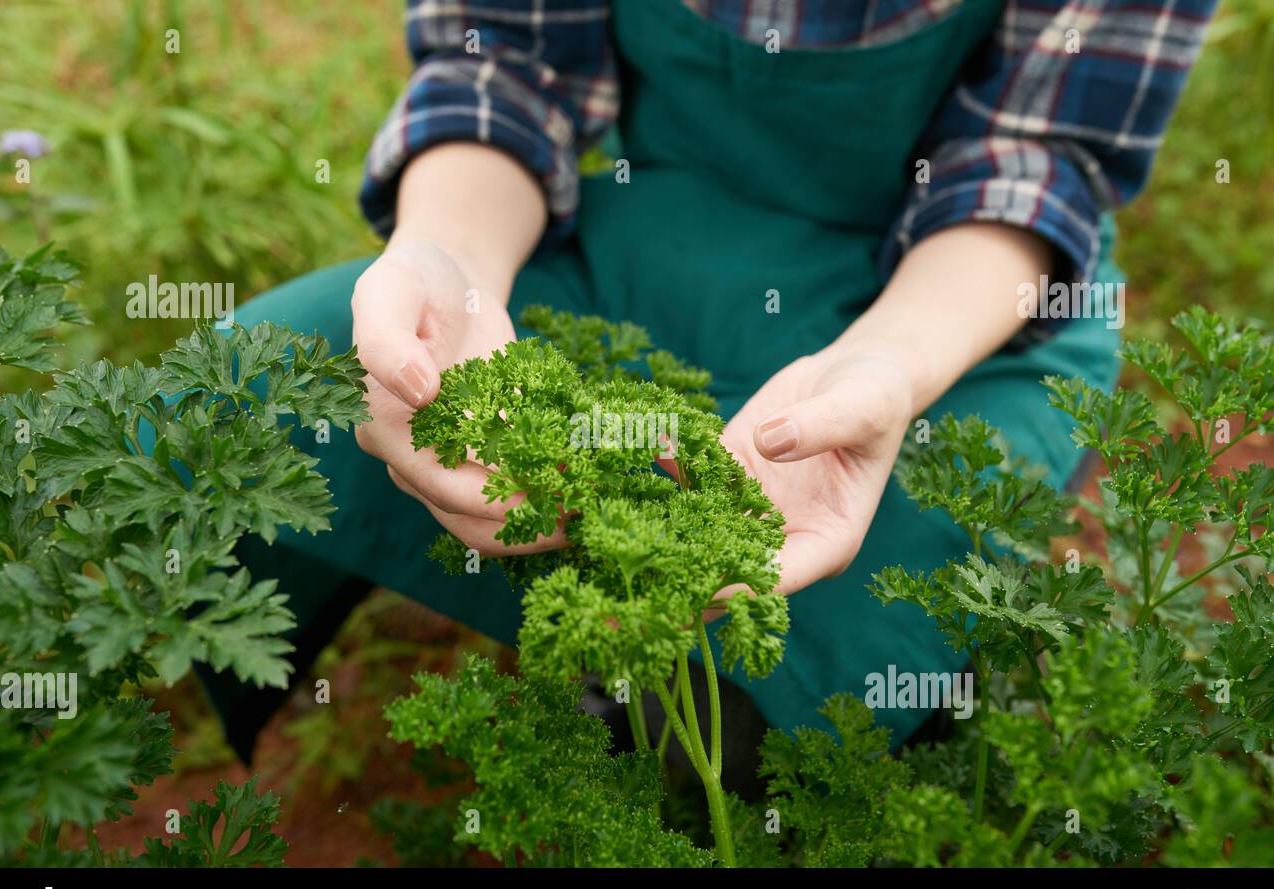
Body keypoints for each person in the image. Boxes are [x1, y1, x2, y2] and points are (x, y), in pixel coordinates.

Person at [203, 0, 1216, 762]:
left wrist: (887, 369)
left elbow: (1030, 155)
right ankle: (253, 688)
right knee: (257, 385)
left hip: (957, 302)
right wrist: (452, 272)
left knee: (793, 648)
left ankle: (692, 740)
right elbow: (505, 65)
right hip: (655, 236)